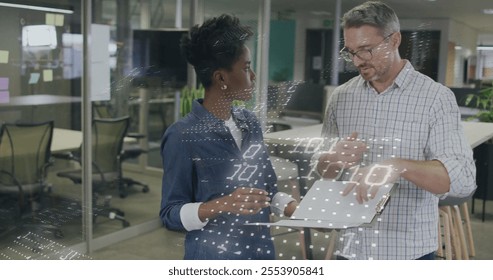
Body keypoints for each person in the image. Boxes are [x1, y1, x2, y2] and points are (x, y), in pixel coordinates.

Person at [314, 1, 476, 260]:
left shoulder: (435, 98)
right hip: (350, 250)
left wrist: (396, 166)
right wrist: (332, 160)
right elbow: (323, 170)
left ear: (394, 40)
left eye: (366, 50)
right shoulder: (341, 98)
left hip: (407, 253)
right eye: (351, 52)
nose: (357, 61)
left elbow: (463, 179)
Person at [159, 14, 297, 260]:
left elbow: (268, 190)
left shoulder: (250, 123)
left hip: (261, 252)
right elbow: (170, 214)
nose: (253, 76)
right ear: (221, 78)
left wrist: (295, 209)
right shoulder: (182, 135)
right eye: (246, 67)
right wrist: (220, 205)